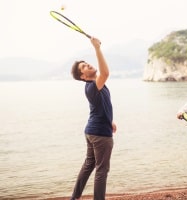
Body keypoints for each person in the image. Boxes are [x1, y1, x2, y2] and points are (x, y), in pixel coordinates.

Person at [70, 36, 117, 200]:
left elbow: (99, 106)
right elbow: (105, 72)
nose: (89, 64)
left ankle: (74, 197)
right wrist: (97, 48)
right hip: (100, 135)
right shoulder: (91, 86)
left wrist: (109, 120)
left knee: (89, 165)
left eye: (86, 63)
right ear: (82, 76)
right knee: (102, 170)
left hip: (92, 130)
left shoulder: (95, 85)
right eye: (84, 66)